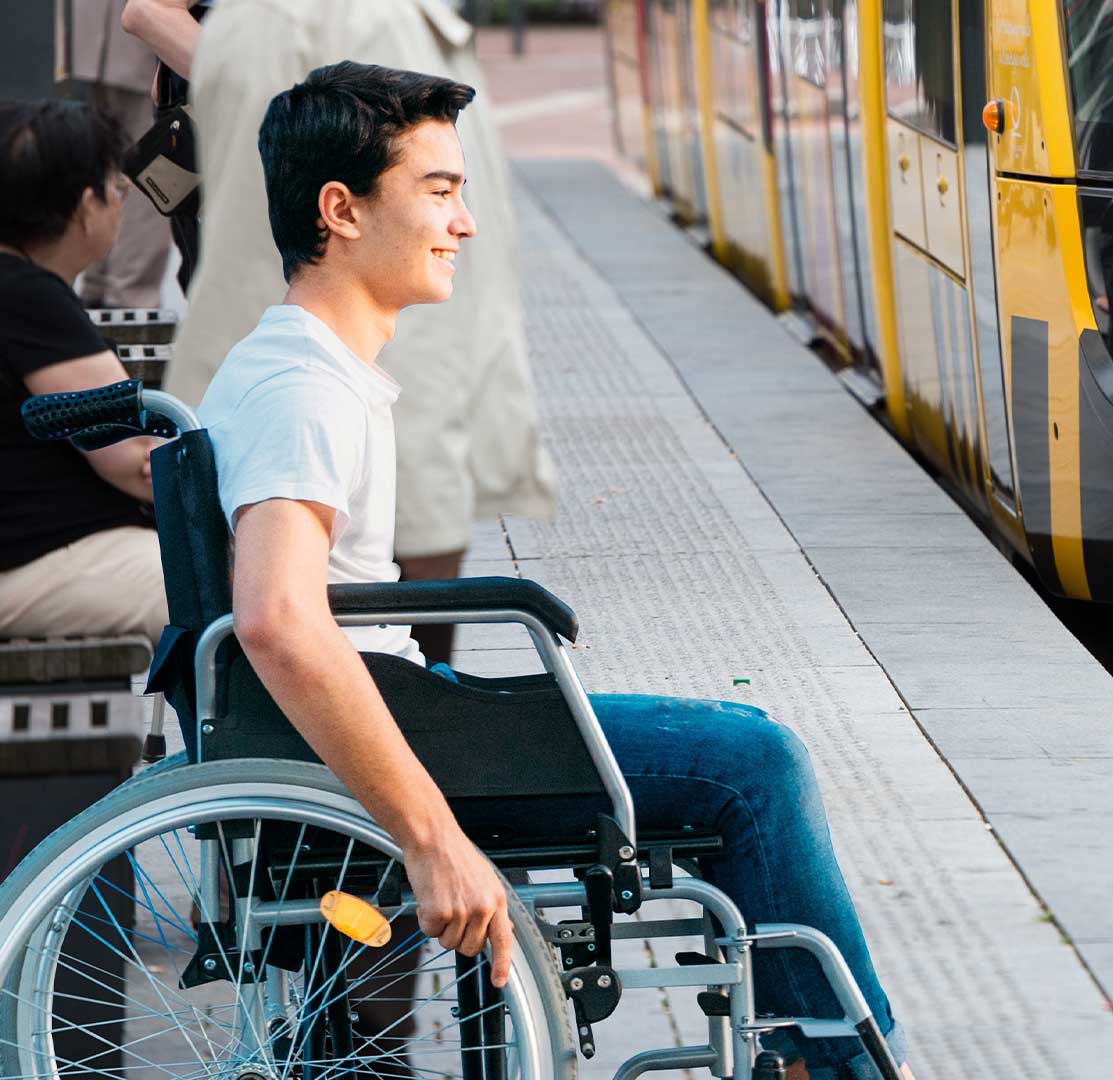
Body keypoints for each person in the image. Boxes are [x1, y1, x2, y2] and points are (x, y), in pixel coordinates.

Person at [198, 62, 908, 1080]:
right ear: (341, 210)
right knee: (754, 768)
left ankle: (815, 1060)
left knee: (746, 744)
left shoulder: (302, 364)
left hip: (411, 712)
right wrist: (433, 838)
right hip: (408, 740)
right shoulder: (306, 390)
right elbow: (275, 619)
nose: (464, 222)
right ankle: (846, 1067)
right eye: (438, 190)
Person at [122, 0, 557, 667]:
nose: (463, 222)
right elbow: (146, 11)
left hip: (349, 334)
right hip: (346, 342)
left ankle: (414, 711)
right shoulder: (305, 22)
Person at [0, 99, 166, 645]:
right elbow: (132, 458)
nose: (121, 201)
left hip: (36, 553)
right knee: (239, 591)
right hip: (32, 563)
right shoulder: (26, 297)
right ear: (84, 205)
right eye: (115, 189)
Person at [67, 0, 172, 310]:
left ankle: (99, 284)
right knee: (152, 173)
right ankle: (128, 294)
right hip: (146, 35)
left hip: (92, 35)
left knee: (103, 163)